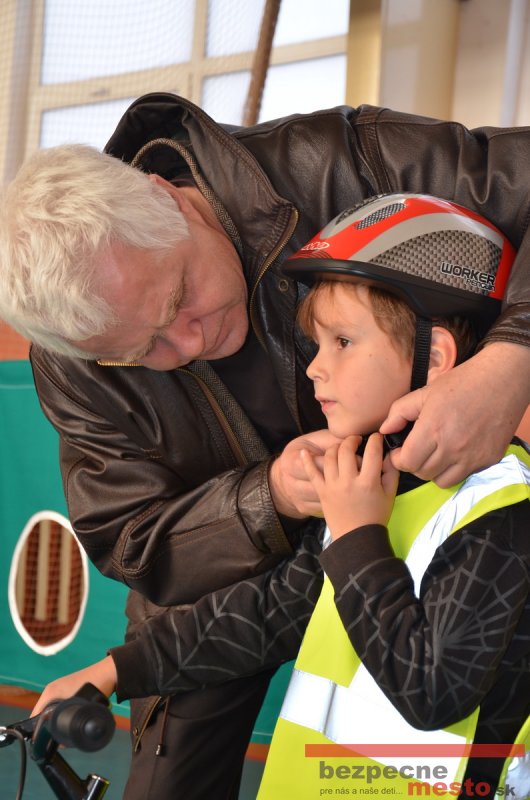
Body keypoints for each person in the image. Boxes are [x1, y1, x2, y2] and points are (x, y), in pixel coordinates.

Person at [1, 93, 529, 798]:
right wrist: (118, 667)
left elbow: (433, 688)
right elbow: (221, 587)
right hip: (256, 565)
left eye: (180, 297)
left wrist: (513, 357)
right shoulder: (75, 362)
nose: (187, 343)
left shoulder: (345, 160)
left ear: (170, 200)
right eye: (142, 351)